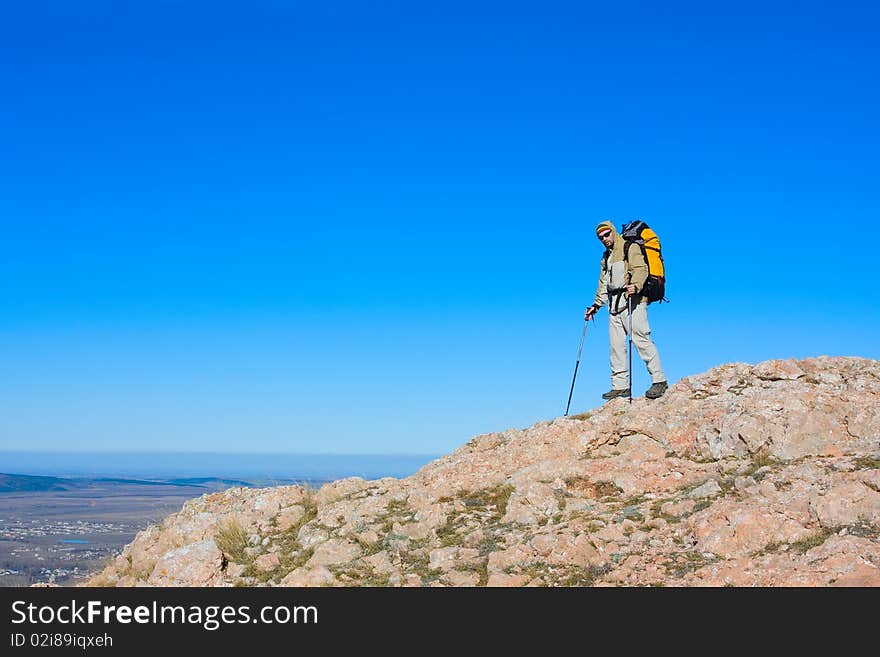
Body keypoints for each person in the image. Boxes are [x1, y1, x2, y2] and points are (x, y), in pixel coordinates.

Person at [584, 220, 667, 399]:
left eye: (607, 234)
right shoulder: (606, 257)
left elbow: (641, 269)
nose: (605, 239)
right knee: (616, 346)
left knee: (641, 339)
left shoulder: (630, 247)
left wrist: (636, 286)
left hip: (633, 301)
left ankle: (659, 380)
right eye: (601, 238)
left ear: (613, 231)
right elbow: (603, 282)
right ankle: (620, 386)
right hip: (614, 305)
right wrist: (596, 306)